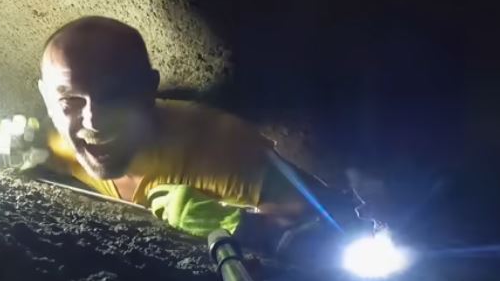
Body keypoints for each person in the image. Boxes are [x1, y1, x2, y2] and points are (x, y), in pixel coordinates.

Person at [33, 15, 362, 259]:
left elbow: (344, 225)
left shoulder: (221, 149)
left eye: (114, 96)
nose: (94, 119)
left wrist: (234, 223)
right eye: (70, 100)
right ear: (47, 99)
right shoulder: (55, 146)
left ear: (149, 89)